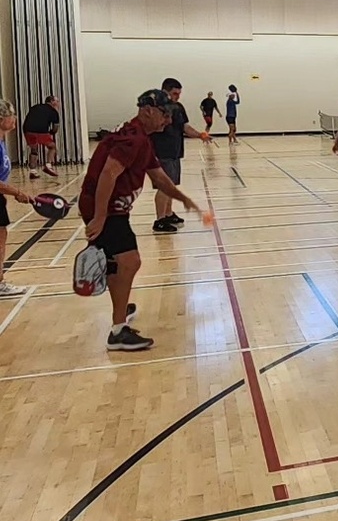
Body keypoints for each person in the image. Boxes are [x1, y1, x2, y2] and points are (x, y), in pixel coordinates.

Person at [81, 89, 202, 351]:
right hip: (106, 209)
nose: (168, 121)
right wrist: (100, 217)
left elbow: (158, 178)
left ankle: (120, 311)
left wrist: (183, 199)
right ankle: (117, 332)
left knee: (121, 262)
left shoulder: (143, 139)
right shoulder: (133, 139)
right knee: (130, 261)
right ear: (148, 111)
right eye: (164, 114)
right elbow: (108, 174)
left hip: (114, 209)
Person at [150, 78, 209, 233]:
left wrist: (199, 135)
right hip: (162, 152)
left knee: (171, 185)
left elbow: (184, 127)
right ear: (165, 91)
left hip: (175, 151)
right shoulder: (156, 108)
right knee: (163, 186)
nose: (177, 96)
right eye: (174, 93)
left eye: (179, 93)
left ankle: (168, 214)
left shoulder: (178, 107)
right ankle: (160, 220)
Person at [0, 100, 32, 297]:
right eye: (12, 115)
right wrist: (17, 192)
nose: (15, 119)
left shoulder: (2, 141)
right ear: (1, 119)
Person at [22, 95, 60, 179]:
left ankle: (33, 171)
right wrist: (51, 132)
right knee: (52, 147)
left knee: (34, 150)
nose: (58, 103)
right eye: (57, 101)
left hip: (27, 129)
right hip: (41, 131)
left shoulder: (35, 107)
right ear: (51, 101)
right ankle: (48, 165)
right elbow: (55, 128)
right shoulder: (54, 112)